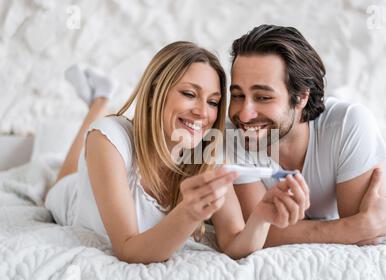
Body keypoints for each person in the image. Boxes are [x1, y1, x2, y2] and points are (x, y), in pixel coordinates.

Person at [45, 41, 302, 264]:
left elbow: (234, 243)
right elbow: (128, 249)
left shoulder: (208, 155)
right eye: (190, 94)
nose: (203, 112)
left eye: (213, 102)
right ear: (156, 90)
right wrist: (190, 213)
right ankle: (100, 101)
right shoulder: (109, 138)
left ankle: (98, 98)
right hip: (72, 199)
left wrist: (261, 217)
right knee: (59, 181)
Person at [227, 25, 386, 247]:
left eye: (263, 97)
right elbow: (253, 233)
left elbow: (369, 237)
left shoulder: (348, 124)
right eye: (238, 95)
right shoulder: (233, 135)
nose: (244, 113)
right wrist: (352, 227)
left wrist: (361, 228)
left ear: (300, 97)